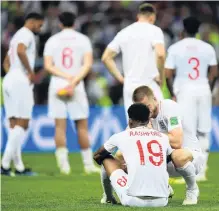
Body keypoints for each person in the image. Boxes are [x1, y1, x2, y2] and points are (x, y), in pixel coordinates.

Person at [94, 103, 195, 207]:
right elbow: (168, 157)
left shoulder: (120, 136)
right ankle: (187, 189)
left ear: (130, 121)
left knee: (106, 157)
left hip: (133, 200)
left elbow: (97, 155)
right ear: (148, 120)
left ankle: (108, 197)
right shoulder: (163, 137)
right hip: (162, 201)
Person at [43, 12, 99, 175]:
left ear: (59, 23)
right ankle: (88, 166)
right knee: (82, 126)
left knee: (60, 126)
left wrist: (64, 77)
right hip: (76, 83)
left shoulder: (52, 40)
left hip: (57, 83)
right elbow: (87, 64)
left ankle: (64, 167)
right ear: (75, 23)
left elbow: (48, 66)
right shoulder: (83, 39)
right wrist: (73, 80)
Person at [165, 17, 218, 181]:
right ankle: (202, 173)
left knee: (187, 131)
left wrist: (172, 91)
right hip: (203, 89)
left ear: (183, 30)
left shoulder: (175, 48)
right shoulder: (208, 47)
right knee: (203, 131)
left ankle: (188, 170)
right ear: (198, 30)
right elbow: (214, 72)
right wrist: (208, 88)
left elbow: (167, 74)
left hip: (185, 90)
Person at [101, 3, 165, 120]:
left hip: (130, 86)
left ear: (138, 16)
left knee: (135, 127)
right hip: (150, 84)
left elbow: (106, 57)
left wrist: (121, 78)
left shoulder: (124, 32)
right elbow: (160, 55)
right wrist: (161, 77)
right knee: (160, 123)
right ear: (152, 17)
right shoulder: (155, 30)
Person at [1, 13, 44, 176]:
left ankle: (18, 167)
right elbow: (20, 51)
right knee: (23, 123)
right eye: (39, 25)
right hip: (20, 80)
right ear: (32, 22)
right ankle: (4, 164)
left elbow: (6, 61)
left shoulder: (15, 36)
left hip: (9, 78)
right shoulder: (27, 34)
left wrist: (12, 73)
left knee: (14, 125)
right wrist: (30, 72)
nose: (40, 28)